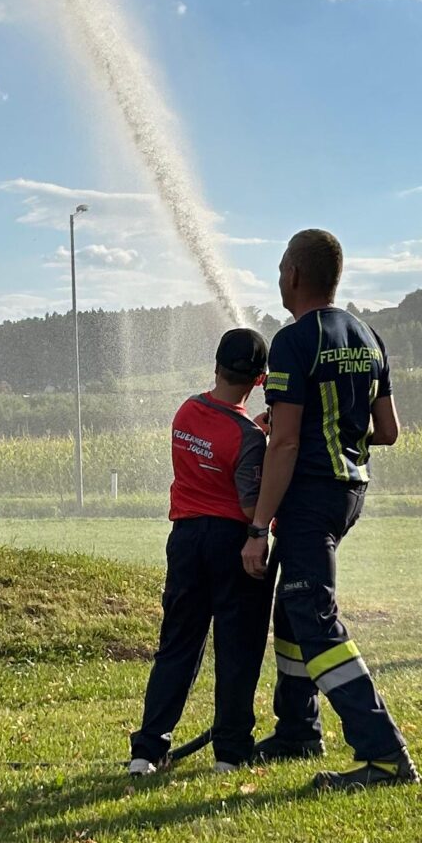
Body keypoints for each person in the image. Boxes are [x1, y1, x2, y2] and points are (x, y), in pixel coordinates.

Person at [244, 229, 417, 791]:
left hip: (311, 497)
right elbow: (387, 431)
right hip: (349, 493)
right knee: (292, 610)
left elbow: (285, 444)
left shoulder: (293, 340)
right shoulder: (368, 336)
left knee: (312, 613)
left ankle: (385, 755)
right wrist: (334, 427)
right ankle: (298, 730)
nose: (278, 277)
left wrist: (256, 529)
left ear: (294, 274)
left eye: (280, 267)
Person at [128, 328, 272, 776]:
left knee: (177, 645)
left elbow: (214, 444)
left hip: (186, 540)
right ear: (260, 380)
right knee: (236, 648)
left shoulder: (186, 411)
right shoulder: (249, 437)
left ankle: (147, 751)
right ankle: (230, 753)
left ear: (216, 367)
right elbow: (248, 503)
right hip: (231, 542)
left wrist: (253, 434)